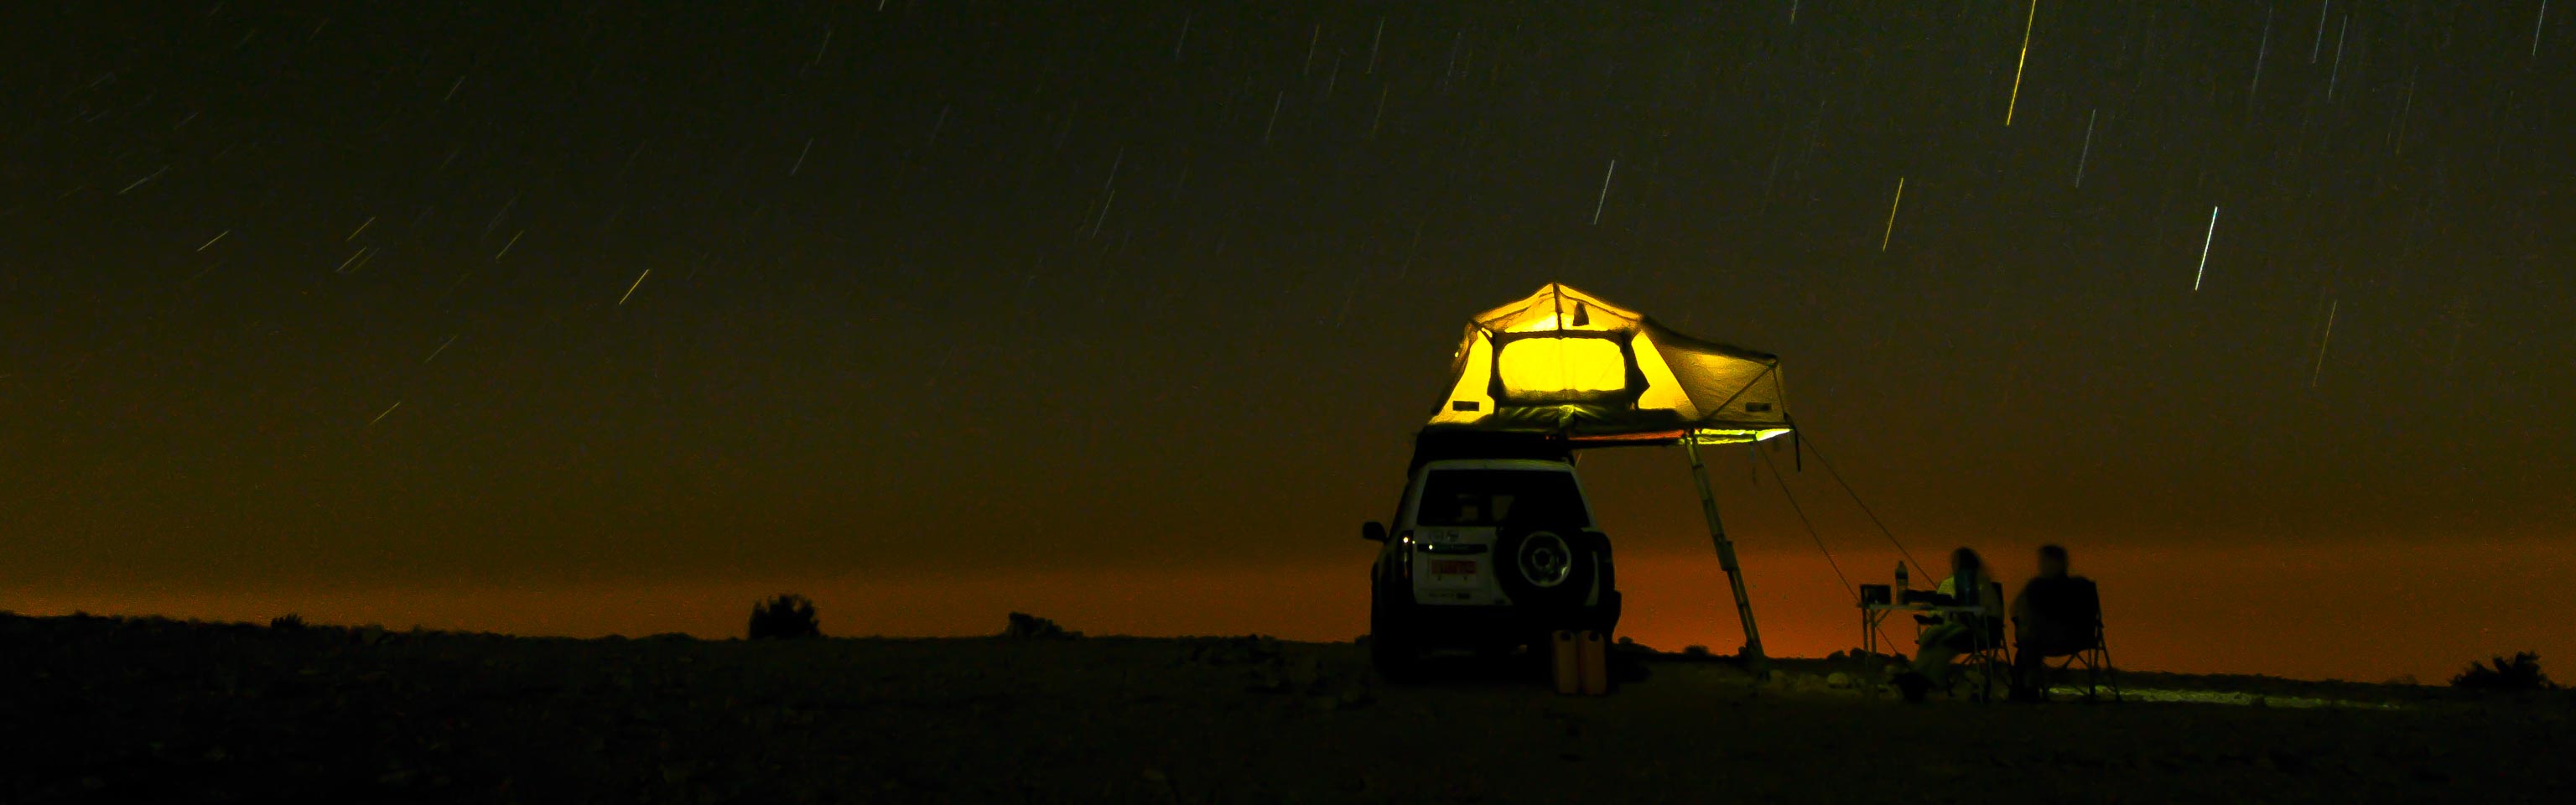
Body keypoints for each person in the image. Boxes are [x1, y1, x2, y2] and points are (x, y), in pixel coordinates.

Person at [1893, 548, 1999, 702]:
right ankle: (1918, 677)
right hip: (1961, 624)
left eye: (1955, 562)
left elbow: (1976, 612)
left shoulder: (1980, 584)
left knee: (1943, 642)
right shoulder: (1955, 583)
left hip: (1980, 629)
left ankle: (1924, 681)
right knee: (1931, 637)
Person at [2010, 544, 2101, 701]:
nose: (2040, 565)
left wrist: (2022, 625)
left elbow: (2015, 609)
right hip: (2081, 638)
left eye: (2043, 561)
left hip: (2046, 638)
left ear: (2055, 562)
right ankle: (2027, 687)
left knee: (2027, 644)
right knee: (2029, 643)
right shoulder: (2083, 585)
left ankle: (2026, 689)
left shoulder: (2037, 586)